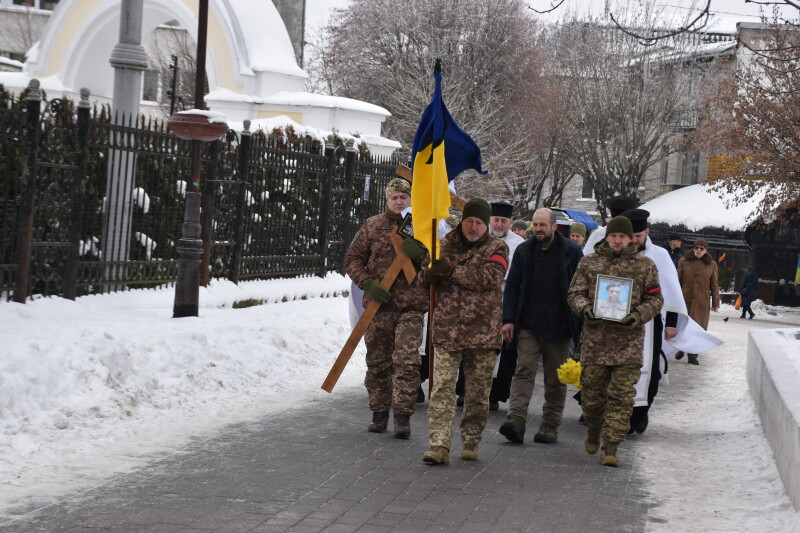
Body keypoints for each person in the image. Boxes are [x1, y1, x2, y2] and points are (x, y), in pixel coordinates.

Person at [567, 216, 663, 467]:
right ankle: (594, 429)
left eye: (622, 236)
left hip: (628, 345)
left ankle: (611, 446)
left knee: (622, 398)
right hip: (596, 342)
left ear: (631, 238)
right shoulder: (589, 262)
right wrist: (586, 309)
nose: (617, 240)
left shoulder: (645, 266)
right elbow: (574, 293)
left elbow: (655, 300)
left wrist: (637, 315)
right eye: (613, 236)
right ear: (606, 237)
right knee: (592, 396)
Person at [421, 198, 508, 465]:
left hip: (483, 333)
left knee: (477, 393)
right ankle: (439, 444)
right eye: (470, 221)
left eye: (480, 223)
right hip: (447, 331)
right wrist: (430, 275)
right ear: (462, 221)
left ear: (487, 225)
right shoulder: (442, 246)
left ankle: (470, 441)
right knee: (442, 388)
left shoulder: (499, 247)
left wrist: (450, 271)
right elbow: (425, 278)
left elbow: (488, 279)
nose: (474, 227)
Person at [344, 178, 428, 438]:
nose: (399, 201)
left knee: (407, 361)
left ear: (411, 200)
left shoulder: (422, 226)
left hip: (410, 307)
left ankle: (402, 417)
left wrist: (423, 255)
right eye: (395, 197)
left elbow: (439, 263)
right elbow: (352, 259)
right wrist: (368, 284)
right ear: (387, 200)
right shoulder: (372, 225)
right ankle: (379, 413)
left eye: (404, 197)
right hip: (379, 306)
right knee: (378, 362)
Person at [498, 208, 583, 444]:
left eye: (542, 225)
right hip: (528, 323)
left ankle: (549, 424)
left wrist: (579, 322)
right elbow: (512, 286)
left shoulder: (571, 251)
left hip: (559, 326)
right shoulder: (525, 250)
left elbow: (581, 287)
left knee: (554, 377)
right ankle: (516, 420)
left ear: (554, 227)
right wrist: (508, 319)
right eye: (535, 225)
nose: (537, 229)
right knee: (523, 369)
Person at [621, 208, 687, 434]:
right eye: (631, 237)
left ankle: (641, 411)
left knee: (650, 369)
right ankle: (623, 414)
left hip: (651, 322)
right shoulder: (618, 252)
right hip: (620, 322)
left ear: (646, 232)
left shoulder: (659, 255)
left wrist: (671, 324)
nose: (634, 241)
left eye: (638, 237)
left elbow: (672, 291)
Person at [455, 201, 524, 410]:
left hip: (503, 302)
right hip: (474, 302)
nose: (500, 224)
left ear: (510, 222)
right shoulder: (477, 238)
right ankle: (464, 391)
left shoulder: (518, 244)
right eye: (496, 220)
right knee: (470, 345)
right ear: (490, 221)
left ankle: (492, 395)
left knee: (497, 350)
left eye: (504, 221)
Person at [677, 238, 720, 365]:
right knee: (682, 326)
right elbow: (677, 281)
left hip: (702, 301)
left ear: (706, 251)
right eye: (696, 248)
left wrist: (716, 303)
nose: (698, 250)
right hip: (685, 299)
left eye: (701, 248)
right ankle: (681, 347)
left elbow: (715, 285)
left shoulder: (712, 265)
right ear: (693, 248)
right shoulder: (683, 261)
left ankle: (693, 355)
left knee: (698, 328)